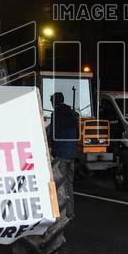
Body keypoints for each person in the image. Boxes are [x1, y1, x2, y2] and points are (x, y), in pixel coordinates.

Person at [48, 92, 80, 220]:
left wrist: (52, 149)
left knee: (58, 186)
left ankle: (59, 214)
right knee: (69, 184)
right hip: (71, 154)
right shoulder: (72, 114)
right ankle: (70, 213)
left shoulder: (56, 114)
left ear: (54, 102)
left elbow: (53, 135)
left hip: (60, 155)